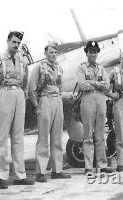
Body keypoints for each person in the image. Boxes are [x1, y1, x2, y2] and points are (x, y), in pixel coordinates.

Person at [0, 31, 34, 189]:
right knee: (1, 139)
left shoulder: (22, 61)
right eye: (13, 42)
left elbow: (26, 81)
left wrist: (23, 96)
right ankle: (2, 176)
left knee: (18, 138)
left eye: (18, 43)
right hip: (3, 94)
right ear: (8, 41)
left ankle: (21, 175)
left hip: (19, 95)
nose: (16, 45)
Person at [29, 42, 71, 182]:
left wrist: (61, 97)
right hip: (45, 101)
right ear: (45, 53)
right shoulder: (39, 68)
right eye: (51, 52)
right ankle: (40, 172)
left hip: (57, 101)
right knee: (43, 139)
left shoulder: (59, 68)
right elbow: (32, 89)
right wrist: (36, 106)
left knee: (57, 137)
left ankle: (57, 170)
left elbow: (59, 85)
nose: (53, 55)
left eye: (55, 52)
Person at [76, 41, 114, 174]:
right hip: (87, 100)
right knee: (88, 135)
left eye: (95, 52)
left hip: (100, 100)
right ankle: (88, 166)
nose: (93, 54)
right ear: (86, 53)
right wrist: (98, 84)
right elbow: (82, 85)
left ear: (97, 53)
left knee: (100, 135)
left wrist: (92, 82)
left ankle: (102, 165)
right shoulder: (81, 68)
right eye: (90, 52)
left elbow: (107, 85)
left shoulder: (101, 68)